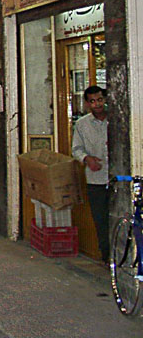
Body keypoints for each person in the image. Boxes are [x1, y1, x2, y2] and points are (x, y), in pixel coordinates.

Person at [72, 85, 110, 262]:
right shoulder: (82, 125)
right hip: (96, 180)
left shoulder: (116, 119)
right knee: (101, 220)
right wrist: (87, 159)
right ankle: (106, 257)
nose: (97, 104)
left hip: (118, 179)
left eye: (100, 99)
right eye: (93, 101)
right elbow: (76, 149)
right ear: (87, 104)